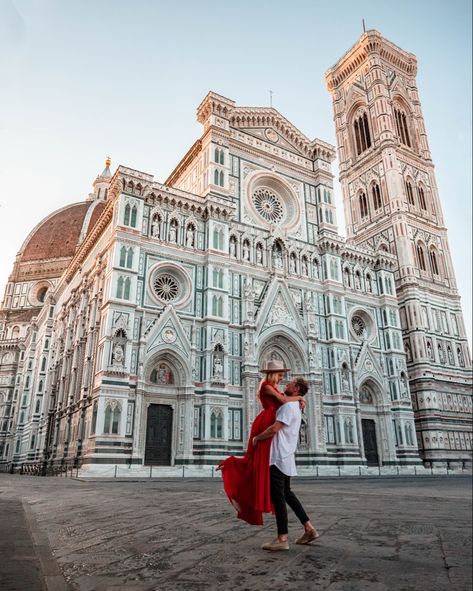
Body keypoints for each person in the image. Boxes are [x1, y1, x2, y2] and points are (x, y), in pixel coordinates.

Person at [218, 360, 305, 526]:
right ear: (272, 374)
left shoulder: (274, 388)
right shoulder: (266, 386)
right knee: (255, 460)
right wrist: (299, 397)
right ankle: (231, 465)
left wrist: (297, 398)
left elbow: (284, 400)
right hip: (265, 422)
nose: (281, 379)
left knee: (263, 466)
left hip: (271, 421)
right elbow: (283, 400)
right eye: (280, 375)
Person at [253, 377, 319, 551]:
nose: (286, 384)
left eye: (290, 383)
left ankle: (282, 538)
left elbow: (275, 428)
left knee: (279, 496)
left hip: (278, 457)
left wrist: (257, 438)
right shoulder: (296, 405)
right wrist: (299, 399)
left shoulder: (289, 406)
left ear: (296, 389)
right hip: (287, 456)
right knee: (287, 493)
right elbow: (280, 397)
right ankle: (309, 528)